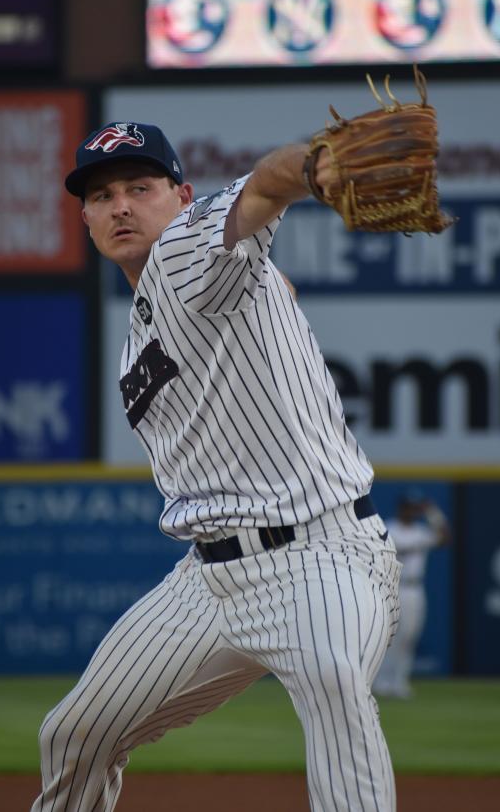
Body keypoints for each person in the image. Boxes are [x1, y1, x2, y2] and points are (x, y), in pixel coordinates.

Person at [31, 119, 402, 812]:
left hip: (319, 556)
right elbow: (259, 292)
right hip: (208, 582)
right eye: (102, 195)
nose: (120, 207)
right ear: (84, 218)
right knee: (73, 734)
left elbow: (266, 183)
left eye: (140, 187)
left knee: (332, 679)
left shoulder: (183, 254)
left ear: (182, 197)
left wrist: (318, 168)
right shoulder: (142, 330)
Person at [373, 491, 451, 700]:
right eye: (409, 507)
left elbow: (445, 538)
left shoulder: (420, 531)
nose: (412, 511)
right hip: (393, 586)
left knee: (409, 636)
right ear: (401, 508)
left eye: (415, 508)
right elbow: (386, 552)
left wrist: (432, 512)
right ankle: (381, 682)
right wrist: (412, 547)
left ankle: (399, 682)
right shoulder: (389, 527)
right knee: (390, 636)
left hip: (414, 588)